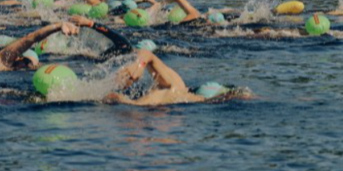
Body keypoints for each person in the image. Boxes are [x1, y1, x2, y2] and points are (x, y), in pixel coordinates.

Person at [104, 49, 253, 106]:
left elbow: (147, 54)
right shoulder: (176, 88)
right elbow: (147, 54)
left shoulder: (174, 90)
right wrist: (139, 65)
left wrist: (139, 65)